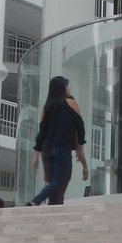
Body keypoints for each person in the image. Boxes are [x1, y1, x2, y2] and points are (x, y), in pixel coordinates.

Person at [29, 75, 88, 206]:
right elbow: (80, 127)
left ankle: (52, 212)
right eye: (67, 85)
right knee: (59, 182)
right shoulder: (71, 103)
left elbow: (41, 134)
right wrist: (80, 147)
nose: (69, 87)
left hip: (47, 153)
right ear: (62, 88)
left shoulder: (46, 109)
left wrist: (36, 157)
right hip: (63, 150)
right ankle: (36, 201)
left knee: (55, 191)